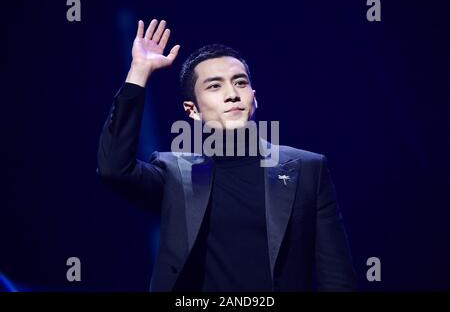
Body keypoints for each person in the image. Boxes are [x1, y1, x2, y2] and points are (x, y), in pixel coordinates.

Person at [97, 19, 357, 291]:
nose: (232, 94)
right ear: (192, 110)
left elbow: (336, 275)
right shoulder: (174, 174)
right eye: (214, 86)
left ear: (254, 98)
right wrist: (138, 73)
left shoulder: (307, 169)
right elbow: (113, 169)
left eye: (240, 82)